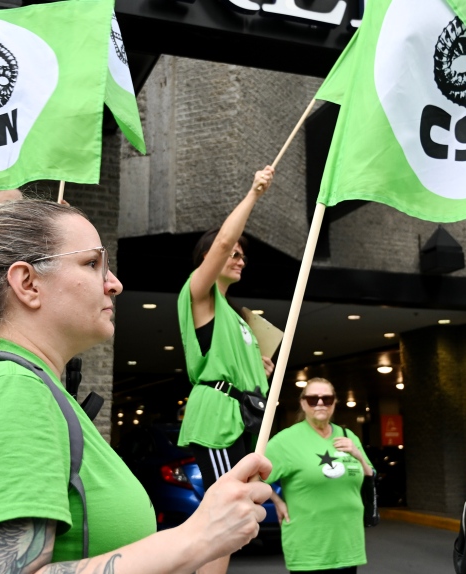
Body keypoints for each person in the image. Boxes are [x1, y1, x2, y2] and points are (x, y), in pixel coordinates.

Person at [0, 200, 273, 573]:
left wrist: (206, 537)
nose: (115, 284)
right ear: (27, 283)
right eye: (92, 264)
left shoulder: (31, 389)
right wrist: (194, 538)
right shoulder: (1, 390)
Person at [177, 166, 275, 574]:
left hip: (241, 420)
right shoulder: (200, 295)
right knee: (228, 514)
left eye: (242, 257)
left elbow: (247, 373)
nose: (239, 258)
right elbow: (222, 239)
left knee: (233, 518)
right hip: (218, 419)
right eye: (234, 253)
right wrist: (254, 192)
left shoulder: (238, 319)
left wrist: (262, 369)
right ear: (207, 261)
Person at [265, 378, 373, 573]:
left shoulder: (348, 436)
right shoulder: (286, 441)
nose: (321, 403)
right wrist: (277, 501)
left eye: (327, 398)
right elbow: (253, 476)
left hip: (347, 545)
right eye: (313, 399)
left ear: (334, 403)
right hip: (309, 548)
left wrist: (357, 455)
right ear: (303, 403)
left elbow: (369, 477)